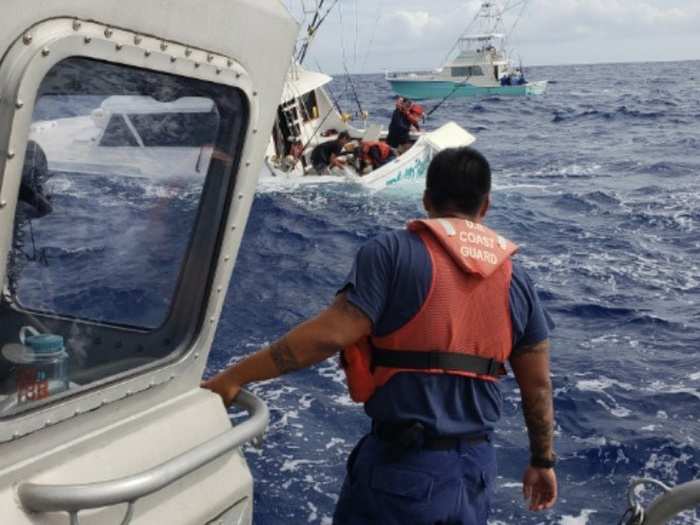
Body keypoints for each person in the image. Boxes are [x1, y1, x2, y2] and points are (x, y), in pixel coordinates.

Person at [203, 146, 557, 524]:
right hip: (475, 473)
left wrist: (234, 378)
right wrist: (542, 461)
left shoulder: (390, 252)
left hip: (402, 474)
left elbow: (329, 335)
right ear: (485, 205)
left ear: (426, 199)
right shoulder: (516, 280)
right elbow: (537, 387)